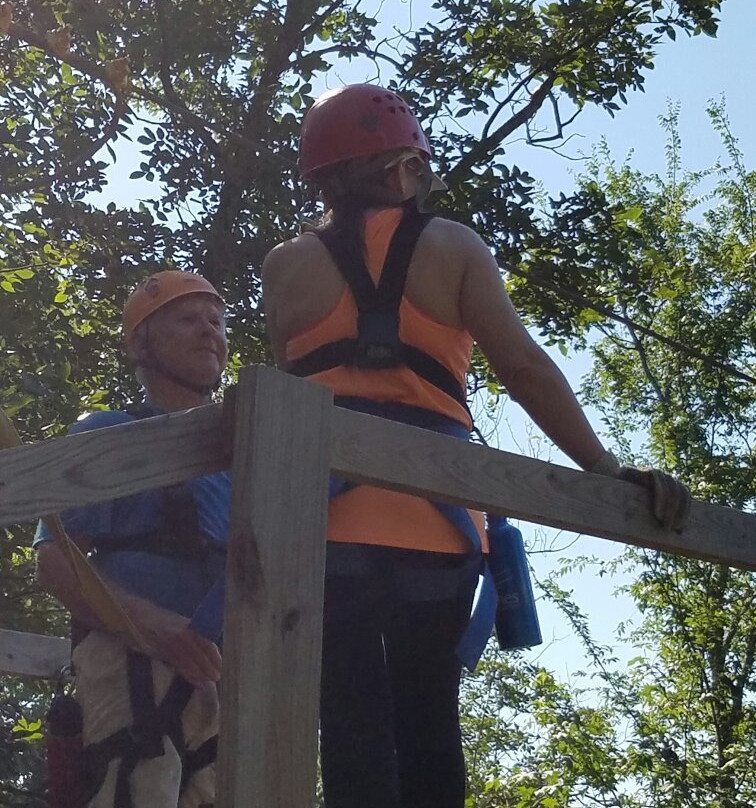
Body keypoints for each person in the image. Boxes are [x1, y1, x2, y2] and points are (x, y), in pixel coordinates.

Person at [261, 84, 690, 808]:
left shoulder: (285, 266)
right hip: (437, 522)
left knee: (350, 723)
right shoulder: (453, 247)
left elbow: (292, 398)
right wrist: (606, 469)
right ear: (400, 169)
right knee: (428, 721)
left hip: (320, 524)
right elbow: (520, 367)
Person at [35, 270, 230, 808]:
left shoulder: (244, 456)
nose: (208, 331)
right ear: (142, 343)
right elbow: (55, 563)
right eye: (188, 320)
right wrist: (158, 630)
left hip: (228, 677)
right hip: (133, 666)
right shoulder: (110, 433)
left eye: (216, 321)